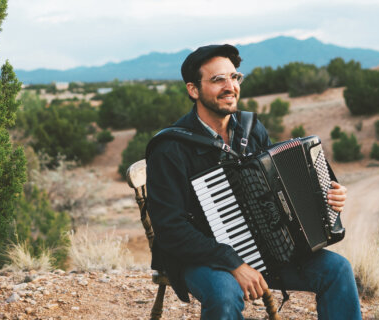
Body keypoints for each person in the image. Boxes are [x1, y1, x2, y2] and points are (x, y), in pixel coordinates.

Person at [146, 44, 361, 320]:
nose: (230, 86)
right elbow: (170, 229)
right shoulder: (170, 148)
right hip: (198, 257)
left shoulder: (250, 129)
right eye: (217, 79)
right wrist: (233, 263)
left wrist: (326, 198)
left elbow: (278, 191)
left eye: (234, 77)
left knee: (337, 270)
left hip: (264, 250)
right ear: (193, 90)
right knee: (225, 294)